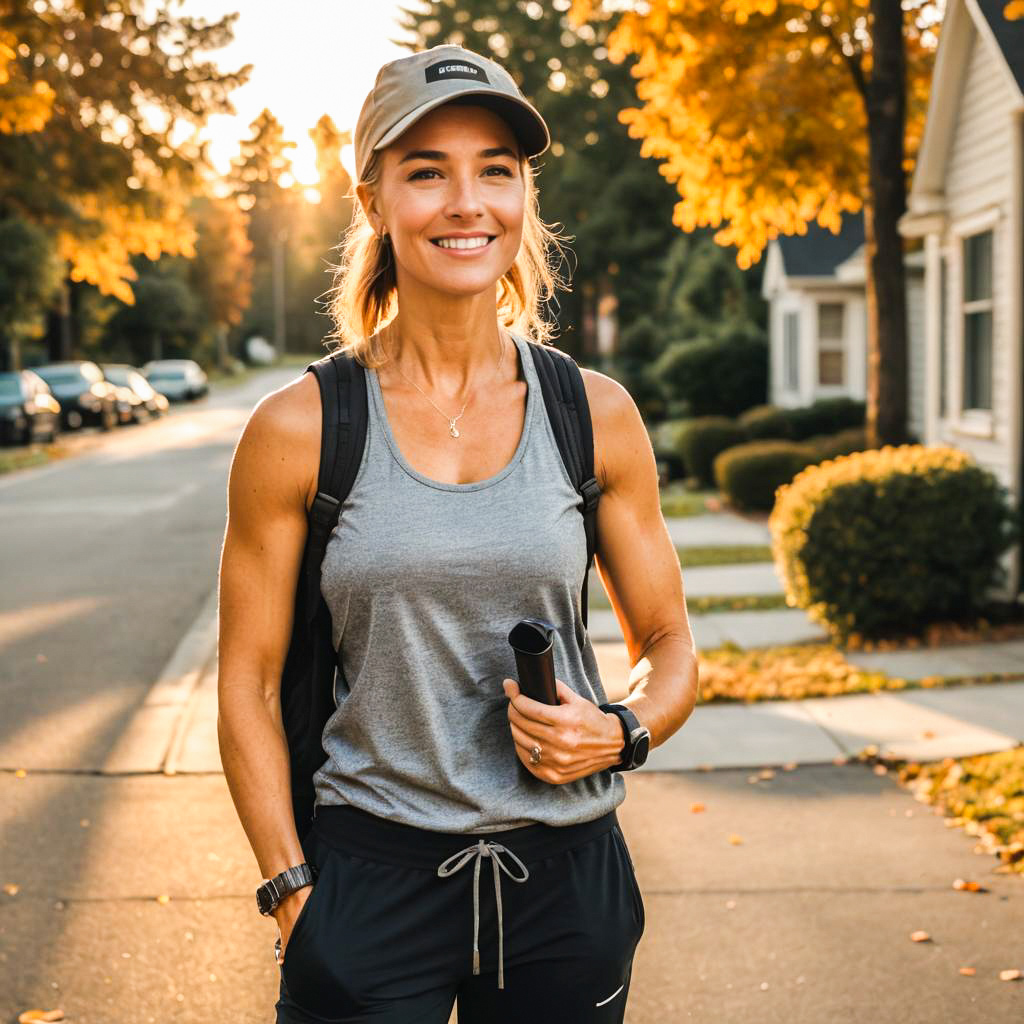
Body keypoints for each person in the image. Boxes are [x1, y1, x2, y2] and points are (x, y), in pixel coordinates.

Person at [216, 42, 698, 1024]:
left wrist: (621, 728)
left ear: (523, 196)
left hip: (567, 884)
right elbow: (247, 684)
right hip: (369, 878)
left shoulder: (592, 413)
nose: (466, 201)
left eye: (496, 170)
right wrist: (292, 894)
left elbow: (670, 645)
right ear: (373, 202)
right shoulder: (300, 429)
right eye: (426, 172)